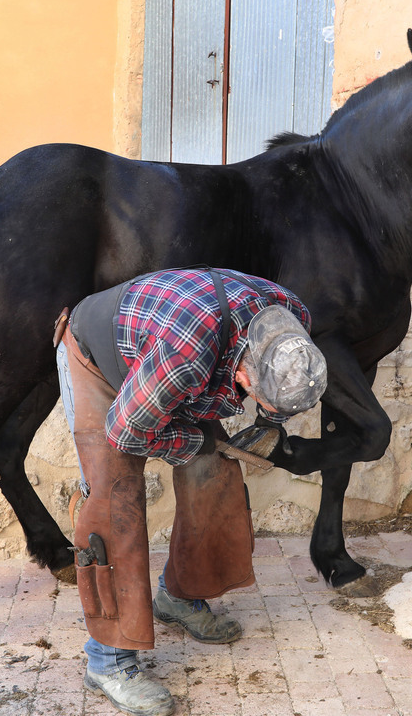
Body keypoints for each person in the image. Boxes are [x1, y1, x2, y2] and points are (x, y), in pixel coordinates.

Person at [54, 267, 327, 716]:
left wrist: (266, 426)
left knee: (214, 474)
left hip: (167, 350)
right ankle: (108, 662)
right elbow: (126, 432)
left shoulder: (292, 320)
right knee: (113, 501)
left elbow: (268, 393)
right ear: (243, 373)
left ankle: (177, 596)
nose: (263, 410)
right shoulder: (188, 357)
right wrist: (193, 442)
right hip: (99, 360)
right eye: (261, 402)